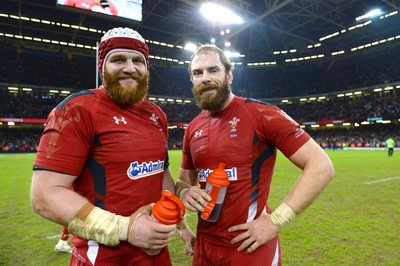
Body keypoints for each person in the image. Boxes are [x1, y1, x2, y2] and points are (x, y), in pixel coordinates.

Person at [31, 27, 195, 265]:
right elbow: (44, 196)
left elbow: (161, 175)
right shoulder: (77, 109)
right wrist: (125, 228)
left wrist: (181, 226)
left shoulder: (156, 114)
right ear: (102, 66)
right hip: (101, 257)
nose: (130, 68)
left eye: (138, 61)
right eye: (119, 59)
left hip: (156, 253)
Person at [175, 44, 335, 265]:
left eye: (213, 70)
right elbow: (183, 181)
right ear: (192, 80)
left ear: (229, 75)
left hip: (249, 246)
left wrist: (275, 221)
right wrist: (185, 193)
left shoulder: (261, 114)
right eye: (197, 73)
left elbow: (321, 166)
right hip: (204, 247)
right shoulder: (192, 128)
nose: (205, 78)